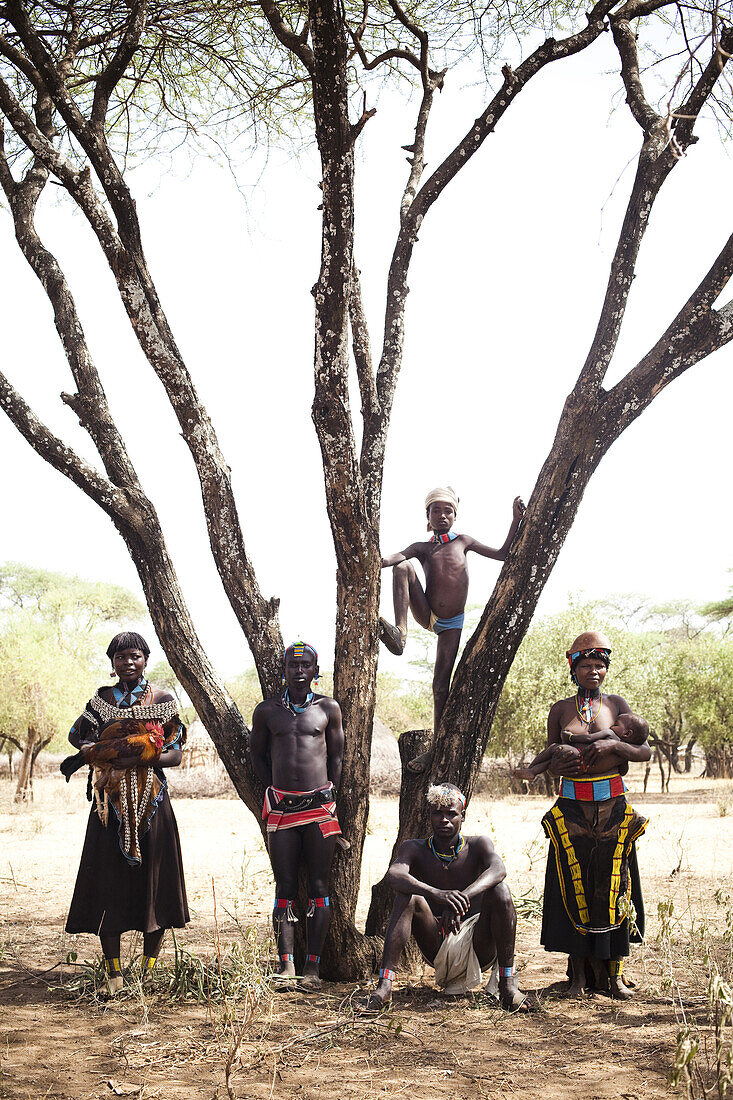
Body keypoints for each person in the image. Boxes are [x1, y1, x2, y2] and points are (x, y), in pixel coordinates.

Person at [64, 632, 189, 994]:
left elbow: (176, 755)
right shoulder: (101, 700)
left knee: (155, 880)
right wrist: (96, 750)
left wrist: (141, 755)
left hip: (152, 801)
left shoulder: (163, 700)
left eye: (134, 656)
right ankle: (113, 974)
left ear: (146, 659)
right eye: (120, 657)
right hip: (110, 805)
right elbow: (77, 735)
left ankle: (148, 971)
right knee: (107, 881)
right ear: (112, 662)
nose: (128, 663)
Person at [539, 632, 651, 999]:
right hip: (570, 808)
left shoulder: (616, 704)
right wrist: (561, 755)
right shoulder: (559, 708)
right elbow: (550, 757)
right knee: (574, 884)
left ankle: (615, 974)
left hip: (612, 809)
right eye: (586, 665)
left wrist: (613, 743)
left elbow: (643, 749)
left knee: (614, 884)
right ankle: (577, 977)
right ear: (573, 669)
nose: (594, 671)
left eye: (600, 665)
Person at [379, 487, 524, 756]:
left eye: (448, 510)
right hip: (426, 612)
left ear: (455, 515)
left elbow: (503, 554)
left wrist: (515, 520)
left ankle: (435, 748)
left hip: (452, 624)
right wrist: (373, 560)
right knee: (403, 568)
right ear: (428, 515)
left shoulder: (463, 542)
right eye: (436, 510)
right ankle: (400, 634)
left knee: (440, 685)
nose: (442, 515)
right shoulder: (421, 548)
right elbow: (393, 559)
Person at [362, 782, 527, 1012]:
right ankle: (384, 987)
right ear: (428, 815)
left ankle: (507, 986)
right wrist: (437, 895)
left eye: (452, 814)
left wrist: (461, 899)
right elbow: (394, 875)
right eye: (437, 813)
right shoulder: (414, 848)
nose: (444, 820)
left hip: (479, 944)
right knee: (408, 896)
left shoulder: (478, 845)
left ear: (463, 816)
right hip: (436, 943)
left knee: (501, 890)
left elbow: (498, 869)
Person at [250, 642, 345, 993]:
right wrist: (277, 789)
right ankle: (286, 964)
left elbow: (336, 756)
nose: (299, 671)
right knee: (285, 887)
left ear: (315, 670)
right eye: (293, 665)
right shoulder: (267, 711)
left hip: (320, 808)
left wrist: (329, 791)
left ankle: (313, 967)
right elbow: (257, 756)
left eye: (306, 665)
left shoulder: (328, 708)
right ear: (284, 669)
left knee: (320, 887)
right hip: (282, 809)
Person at [514, 712, 650, 783]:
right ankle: (532, 771)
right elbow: (623, 771)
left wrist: (571, 737)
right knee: (553, 759)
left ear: (627, 733)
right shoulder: (623, 754)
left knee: (554, 749)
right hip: (584, 768)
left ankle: (532, 770)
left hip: (578, 755)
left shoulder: (610, 734)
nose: (611, 726)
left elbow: (589, 738)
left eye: (616, 724)